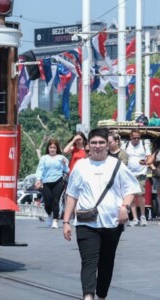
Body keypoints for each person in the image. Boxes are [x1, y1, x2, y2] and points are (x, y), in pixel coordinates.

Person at [61, 128, 140, 300]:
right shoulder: (81, 166)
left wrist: (124, 207)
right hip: (86, 223)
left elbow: (131, 189)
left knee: (106, 262)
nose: (97, 146)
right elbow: (72, 195)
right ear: (88, 145)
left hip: (112, 223)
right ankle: (88, 296)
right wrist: (66, 221)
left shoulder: (117, 165)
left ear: (108, 144)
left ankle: (101, 295)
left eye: (101, 143)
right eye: (94, 143)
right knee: (89, 262)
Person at [34, 138, 69, 229]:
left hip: (58, 181)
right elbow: (40, 170)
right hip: (46, 182)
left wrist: (65, 164)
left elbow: (67, 170)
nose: (52, 149)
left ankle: (55, 220)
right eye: (51, 147)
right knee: (48, 201)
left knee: (55, 200)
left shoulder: (61, 158)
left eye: (54, 147)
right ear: (48, 148)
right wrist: (38, 179)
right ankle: (49, 215)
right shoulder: (44, 158)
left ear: (57, 148)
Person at [125, 129, 149, 226]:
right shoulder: (126, 145)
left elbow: (150, 156)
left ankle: (143, 216)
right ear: (130, 137)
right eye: (134, 138)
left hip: (141, 172)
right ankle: (135, 218)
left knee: (141, 194)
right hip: (129, 173)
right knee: (132, 195)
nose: (136, 139)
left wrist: (148, 162)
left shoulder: (144, 145)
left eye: (138, 138)